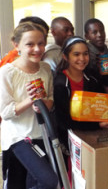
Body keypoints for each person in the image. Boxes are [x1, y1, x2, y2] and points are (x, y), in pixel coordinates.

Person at [0, 22, 58, 189]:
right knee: (49, 181)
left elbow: (51, 98)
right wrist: (30, 100)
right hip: (18, 138)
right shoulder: (6, 72)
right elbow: (5, 113)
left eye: (41, 43)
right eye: (30, 44)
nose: (37, 49)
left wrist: (43, 104)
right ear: (16, 45)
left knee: (29, 181)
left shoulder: (46, 69)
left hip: (41, 134)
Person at [54, 36, 108, 151]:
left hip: (93, 138)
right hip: (70, 141)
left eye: (85, 54)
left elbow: (102, 106)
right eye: (76, 54)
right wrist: (97, 125)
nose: (82, 58)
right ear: (65, 57)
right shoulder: (61, 83)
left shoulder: (92, 77)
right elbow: (63, 122)